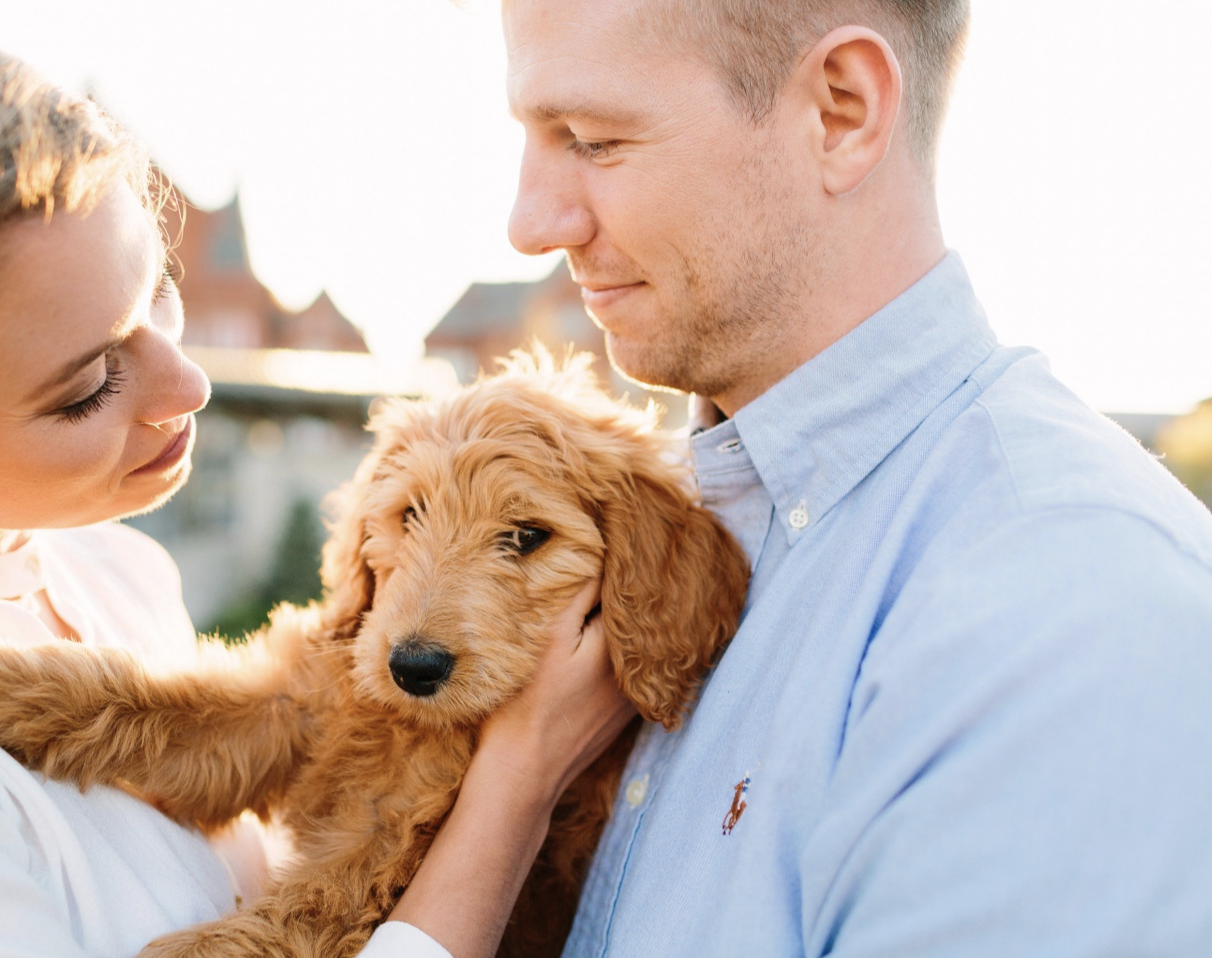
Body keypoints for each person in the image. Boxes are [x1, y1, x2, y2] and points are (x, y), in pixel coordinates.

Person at [0, 4, 630, 956]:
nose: (190, 383)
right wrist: (516, 787)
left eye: (161, 291)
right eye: (89, 387)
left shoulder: (106, 563)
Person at [373, 0, 1212, 954]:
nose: (531, 223)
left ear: (842, 110)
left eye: (594, 140)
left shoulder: (1068, 612)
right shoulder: (627, 540)